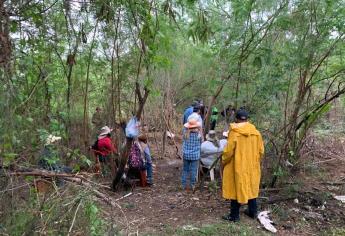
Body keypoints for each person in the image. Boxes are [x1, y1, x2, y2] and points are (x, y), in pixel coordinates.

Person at [222, 109, 264, 222]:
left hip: (237, 166)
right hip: (252, 166)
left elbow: (228, 152)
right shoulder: (256, 133)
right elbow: (261, 151)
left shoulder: (234, 133)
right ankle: (253, 212)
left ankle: (234, 216)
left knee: (235, 189)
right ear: (248, 119)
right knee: (251, 187)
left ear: (236, 119)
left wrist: (224, 161)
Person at [182, 119, 202, 191]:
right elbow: (201, 142)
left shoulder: (185, 133)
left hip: (186, 155)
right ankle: (192, 185)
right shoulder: (198, 135)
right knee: (193, 170)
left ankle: (183, 185)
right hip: (195, 155)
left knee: (185, 170)